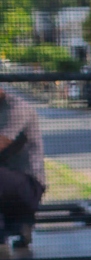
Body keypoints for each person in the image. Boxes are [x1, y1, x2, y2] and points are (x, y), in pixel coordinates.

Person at [0, 87, 45, 248]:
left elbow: (2, 142)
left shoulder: (17, 108)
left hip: (29, 184)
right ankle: (14, 227)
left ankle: (20, 222)